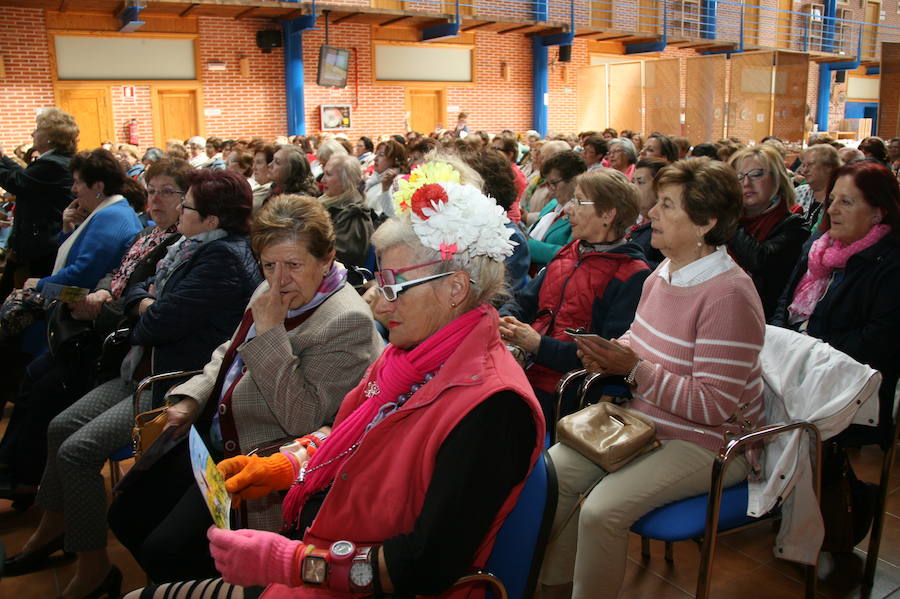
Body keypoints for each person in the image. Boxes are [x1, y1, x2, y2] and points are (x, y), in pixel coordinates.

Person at [122, 166, 545, 599]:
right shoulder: (409, 358)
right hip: (327, 543)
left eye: (396, 287)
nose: (379, 305)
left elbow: (421, 566)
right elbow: (348, 437)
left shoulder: (493, 408)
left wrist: (293, 563)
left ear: (456, 288)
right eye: (381, 284)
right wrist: (284, 465)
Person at [3, 169, 262, 599]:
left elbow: (155, 322)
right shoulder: (185, 243)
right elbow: (134, 284)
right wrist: (141, 302)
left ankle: (94, 566)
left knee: (78, 450)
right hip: (139, 370)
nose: (174, 208)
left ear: (213, 220)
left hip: (171, 385)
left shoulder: (222, 259)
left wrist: (141, 305)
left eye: (184, 203)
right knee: (58, 426)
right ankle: (53, 528)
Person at [108, 194, 384, 582]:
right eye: (268, 264)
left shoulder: (346, 321)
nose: (279, 278)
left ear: (326, 259)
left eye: (293, 265)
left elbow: (302, 417)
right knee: (124, 515)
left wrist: (271, 331)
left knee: (164, 552)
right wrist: (193, 396)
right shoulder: (269, 290)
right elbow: (229, 352)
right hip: (213, 439)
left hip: (259, 461)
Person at [540, 157, 764, 599]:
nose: (650, 214)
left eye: (666, 205)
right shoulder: (665, 270)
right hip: (646, 421)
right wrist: (609, 351)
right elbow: (638, 339)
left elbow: (715, 407)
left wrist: (634, 370)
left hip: (710, 442)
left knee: (601, 510)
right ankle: (551, 587)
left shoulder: (729, 295)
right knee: (553, 477)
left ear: (706, 223)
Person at [0, 158, 188, 508]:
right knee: (34, 375)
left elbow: (99, 280)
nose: (155, 200)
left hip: (112, 338)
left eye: (166, 192)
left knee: (43, 385)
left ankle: (22, 478)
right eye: (151, 192)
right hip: (100, 322)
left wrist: (55, 289)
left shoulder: (137, 226)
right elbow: (115, 274)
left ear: (97, 186)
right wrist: (70, 232)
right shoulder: (144, 230)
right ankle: (22, 479)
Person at [500, 168, 650, 425]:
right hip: (524, 367)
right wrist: (506, 319)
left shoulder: (631, 274)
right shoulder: (569, 252)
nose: (569, 209)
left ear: (608, 214)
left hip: (567, 388)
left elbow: (604, 355)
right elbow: (524, 300)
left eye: (580, 202)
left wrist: (538, 344)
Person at [773, 160, 900, 448]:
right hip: (794, 367)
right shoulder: (818, 245)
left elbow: (876, 342)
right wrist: (782, 342)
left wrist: (803, 349)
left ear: (878, 212)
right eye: (832, 200)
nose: (832, 210)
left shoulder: (890, 265)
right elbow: (785, 301)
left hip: (847, 389)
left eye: (846, 202)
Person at [0, 108, 78, 299]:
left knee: (23, 300)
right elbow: (24, 176)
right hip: (38, 241)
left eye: (37, 129)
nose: (32, 134)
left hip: (41, 245)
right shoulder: (53, 161)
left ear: (51, 136)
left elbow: (17, 182)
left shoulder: (52, 164)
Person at [727, 145, 809, 321]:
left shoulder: (794, 225)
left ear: (777, 178)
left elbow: (759, 260)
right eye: (739, 177)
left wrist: (727, 219)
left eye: (756, 174)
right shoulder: (726, 220)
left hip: (760, 320)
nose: (746, 183)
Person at [526, 150, 586, 270]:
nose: (550, 189)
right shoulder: (552, 205)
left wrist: (526, 244)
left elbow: (571, 254)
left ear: (575, 179)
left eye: (553, 183)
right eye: (547, 183)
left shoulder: (584, 212)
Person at [320, 154, 378, 269]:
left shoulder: (355, 215)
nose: (322, 180)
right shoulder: (327, 203)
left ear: (346, 180)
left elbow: (339, 257)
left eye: (328, 174)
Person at [626, 157, 667, 267]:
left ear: (659, 188)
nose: (633, 188)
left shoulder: (663, 229)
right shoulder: (632, 218)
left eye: (640, 182)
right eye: (633, 182)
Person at [794, 143, 841, 228]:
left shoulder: (840, 197)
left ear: (829, 166)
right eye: (804, 165)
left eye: (810, 164)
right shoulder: (798, 191)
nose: (804, 170)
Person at [363, 140, 406, 218]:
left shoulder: (398, 183)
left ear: (395, 160)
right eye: (376, 154)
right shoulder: (375, 180)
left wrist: (385, 189)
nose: (375, 159)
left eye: (381, 155)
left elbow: (392, 216)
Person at [251, 143, 276, 212]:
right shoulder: (254, 185)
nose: (253, 167)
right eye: (253, 162)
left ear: (271, 166)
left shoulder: (267, 190)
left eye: (259, 163)